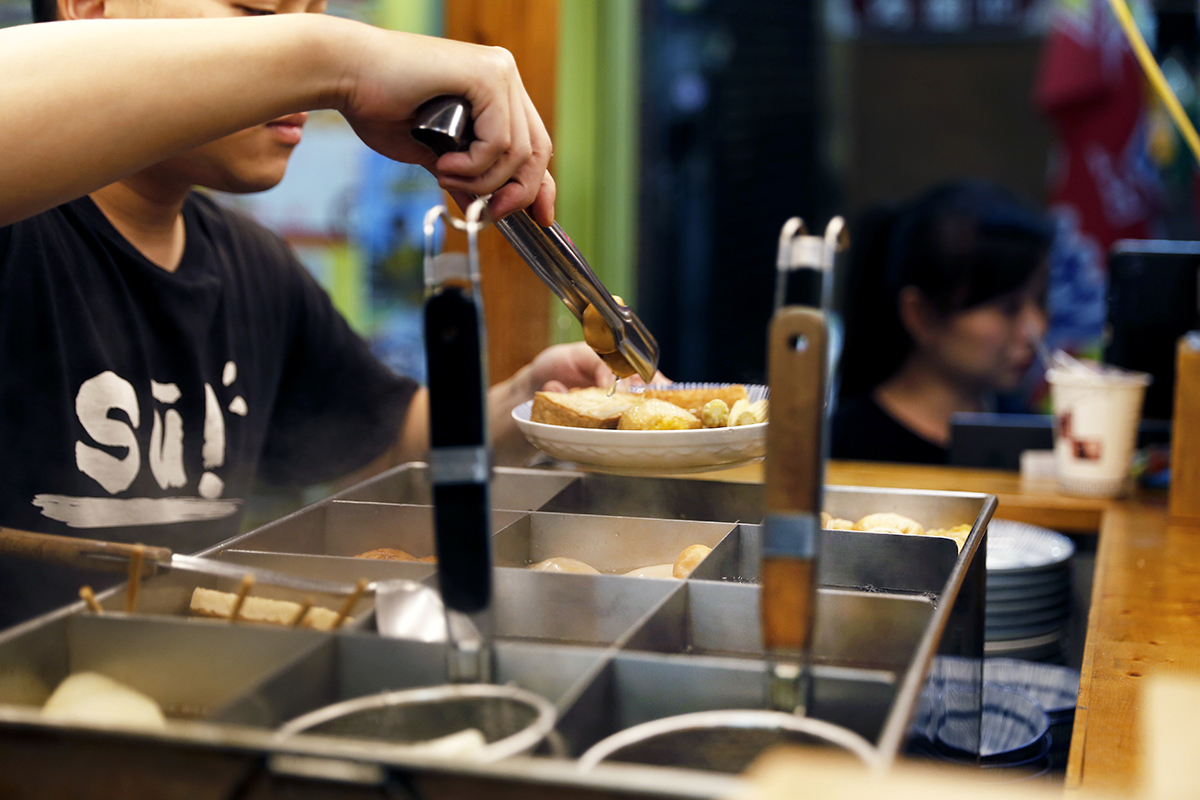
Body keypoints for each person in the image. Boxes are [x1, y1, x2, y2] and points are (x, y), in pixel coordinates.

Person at [0, 0, 617, 627]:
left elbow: (383, 440)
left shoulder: (253, 266)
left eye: (311, 15)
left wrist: (527, 398)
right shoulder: (20, 229)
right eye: (260, 12)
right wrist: (340, 60)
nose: (294, 67)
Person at [831, 180, 1055, 464]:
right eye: (1007, 308)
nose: (1037, 328)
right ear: (922, 315)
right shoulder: (844, 449)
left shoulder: (1032, 432)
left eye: (1043, 298)